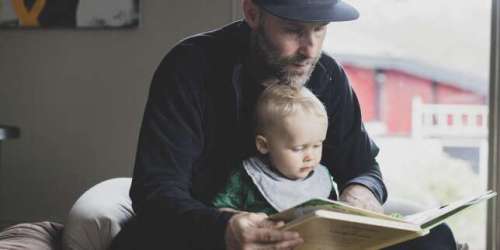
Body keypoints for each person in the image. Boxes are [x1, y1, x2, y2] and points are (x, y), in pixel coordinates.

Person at [111, 0, 458, 249]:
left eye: (320, 31)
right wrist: (225, 228)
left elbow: (364, 167)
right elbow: (155, 192)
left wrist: (360, 195)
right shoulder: (190, 68)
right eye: (293, 30)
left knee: (436, 238)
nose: (309, 50)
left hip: (308, 239)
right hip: (212, 233)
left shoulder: (328, 76)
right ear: (252, 13)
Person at [213, 83, 337, 215]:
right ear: (264, 145)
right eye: (298, 148)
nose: (310, 156)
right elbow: (221, 212)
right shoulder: (247, 177)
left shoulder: (322, 178)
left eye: (317, 145)